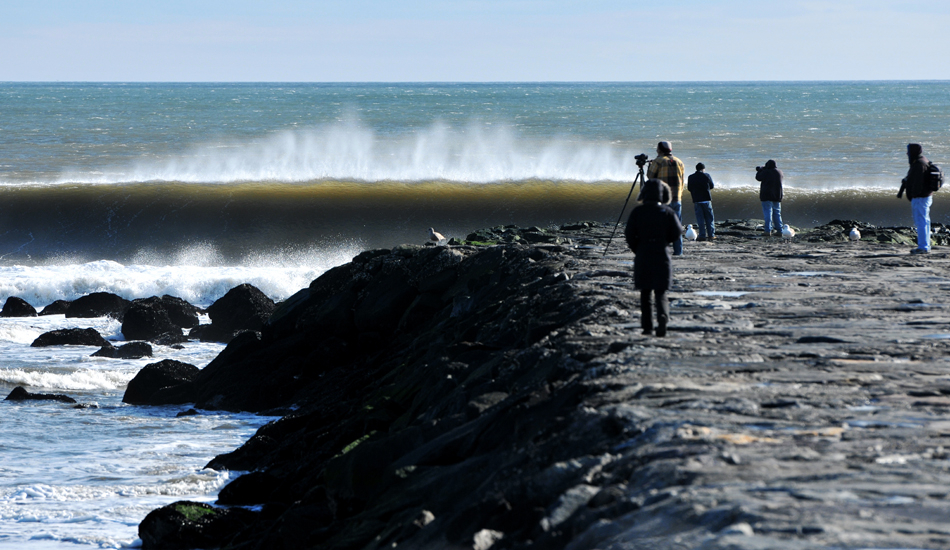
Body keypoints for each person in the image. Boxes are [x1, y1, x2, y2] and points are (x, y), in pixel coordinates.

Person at [625, 178, 683, 337]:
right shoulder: (668, 212)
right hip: (662, 253)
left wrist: (637, 248)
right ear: (662, 194)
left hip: (643, 252)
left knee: (645, 292)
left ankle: (647, 327)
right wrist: (665, 242)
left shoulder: (637, 212)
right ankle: (663, 316)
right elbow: (677, 232)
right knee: (661, 291)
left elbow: (629, 234)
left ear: (644, 193)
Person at [646, 141, 685, 255]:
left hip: (663, 199)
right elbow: (682, 181)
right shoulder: (679, 162)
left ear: (660, 150)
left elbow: (650, 177)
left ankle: (663, 252)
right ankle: (679, 252)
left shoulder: (658, 161)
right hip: (677, 198)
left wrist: (650, 165)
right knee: (677, 226)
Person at [898, 143, 934, 254]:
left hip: (921, 198)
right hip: (925, 197)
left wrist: (914, 194)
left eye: (908, 151)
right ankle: (925, 246)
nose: (907, 153)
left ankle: (923, 247)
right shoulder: (922, 161)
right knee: (925, 221)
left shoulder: (919, 164)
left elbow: (918, 182)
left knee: (921, 222)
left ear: (913, 151)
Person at [687, 162, 716, 240]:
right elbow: (712, 186)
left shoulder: (691, 177)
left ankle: (702, 235)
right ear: (703, 169)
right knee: (709, 218)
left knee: (700, 219)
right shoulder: (706, 175)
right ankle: (711, 235)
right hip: (706, 200)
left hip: (697, 200)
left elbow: (689, 188)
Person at [755, 160, 784, 236]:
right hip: (777, 196)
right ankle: (779, 231)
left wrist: (760, 170)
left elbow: (758, 178)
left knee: (768, 213)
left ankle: (767, 231)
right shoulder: (780, 172)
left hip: (767, 196)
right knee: (777, 214)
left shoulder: (766, 172)